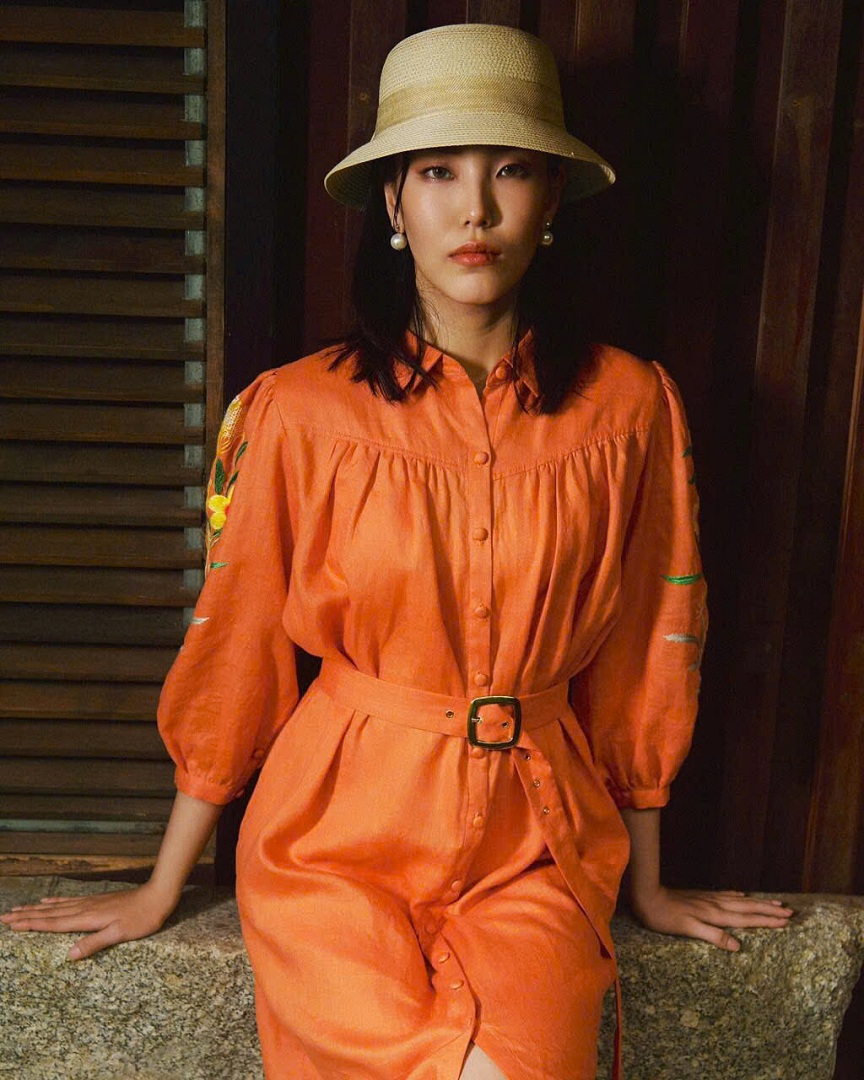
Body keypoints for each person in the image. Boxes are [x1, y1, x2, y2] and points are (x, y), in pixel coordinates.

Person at [1, 24, 793, 1080]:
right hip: (333, 844)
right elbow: (236, 643)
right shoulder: (298, 412)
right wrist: (163, 883)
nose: (476, 211)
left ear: (552, 199)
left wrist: (646, 881)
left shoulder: (630, 407)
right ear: (391, 202)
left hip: (533, 848)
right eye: (437, 172)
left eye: (510, 170)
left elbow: (653, 640)